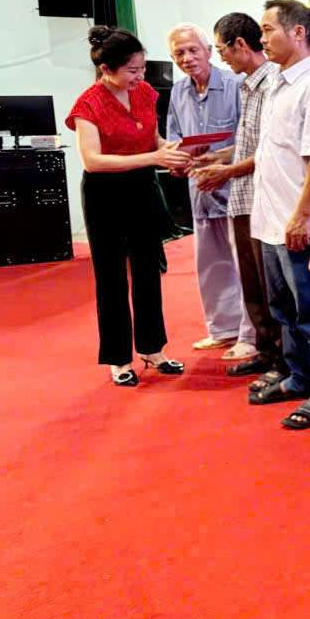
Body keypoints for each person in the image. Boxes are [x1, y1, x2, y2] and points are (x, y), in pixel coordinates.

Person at [66, 27, 189, 385]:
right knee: (111, 277)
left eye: (143, 68)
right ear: (107, 69)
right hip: (105, 193)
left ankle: (153, 348)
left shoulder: (146, 93)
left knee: (149, 270)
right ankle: (118, 358)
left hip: (141, 188)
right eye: (132, 70)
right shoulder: (88, 103)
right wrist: (154, 156)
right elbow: (92, 160)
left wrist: (173, 153)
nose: (141, 77)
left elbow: (153, 139)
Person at [250, 0, 310, 430]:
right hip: (271, 221)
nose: (262, 38)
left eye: (268, 29)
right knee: (285, 310)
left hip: (299, 223)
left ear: (298, 33)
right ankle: (298, 376)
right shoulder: (277, 83)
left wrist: (302, 217)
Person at [191, 12, 286, 382]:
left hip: (265, 199)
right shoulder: (249, 85)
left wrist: (226, 171)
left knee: (270, 286)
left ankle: (282, 360)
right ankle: (266, 351)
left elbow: (270, 151)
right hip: (245, 198)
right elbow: (250, 143)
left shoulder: (272, 85)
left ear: (240, 45)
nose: (221, 59)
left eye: (221, 50)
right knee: (252, 285)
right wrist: (220, 156)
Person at [164, 23, 246, 356]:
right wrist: (174, 157)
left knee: (245, 265)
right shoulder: (178, 91)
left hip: (236, 186)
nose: (187, 58)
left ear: (209, 51)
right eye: (179, 53)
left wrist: (222, 160)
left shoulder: (236, 85)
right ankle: (222, 328)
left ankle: (249, 334)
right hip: (199, 188)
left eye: (192, 50)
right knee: (210, 264)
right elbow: (173, 136)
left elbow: (251, 137)